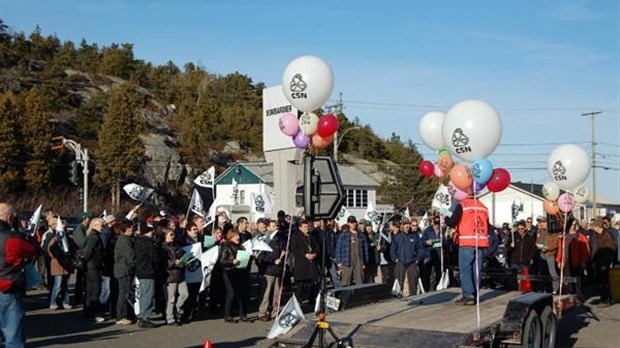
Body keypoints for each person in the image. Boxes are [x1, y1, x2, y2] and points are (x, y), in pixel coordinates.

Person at [0, 202, 37, 348]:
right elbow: (31, 251)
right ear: (9, 217)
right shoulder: (12, 237)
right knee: (13, 335)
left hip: (7, 284)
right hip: (8, 285)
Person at [444, 196, 489, 305]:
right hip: (480, 242)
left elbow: (451, 222)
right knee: (476, 270)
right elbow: (488, 225)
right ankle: (475, 295)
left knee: (465, 270)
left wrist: (446, 218)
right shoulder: (483, 207)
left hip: (467, 242)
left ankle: (469, 295)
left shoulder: (463, 205)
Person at [218, 229, 249, 323]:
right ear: (230, 237)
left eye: (238, 236)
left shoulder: (241, 246)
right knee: (231, 293)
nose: (238, 237)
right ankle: (227, 315)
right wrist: (232, 261)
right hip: (229, 272)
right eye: (236, 236)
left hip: (240, 271)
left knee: (242, 293)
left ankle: (243, 315)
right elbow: (221, 261)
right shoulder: (226, 247)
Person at [257, 220, 284, 321]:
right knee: (266, 293)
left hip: (277, 270)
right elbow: (261, 256)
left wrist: (282, 258)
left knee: (276, 293)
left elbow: (283, 250)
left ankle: (275, 311)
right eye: (273, 226)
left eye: (276, 226)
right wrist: (273, 261)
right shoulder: (264, 239)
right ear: (267, 228)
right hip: (268, 269)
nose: (275, 228)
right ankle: (262, 312)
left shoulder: (279, 239)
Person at [134, 222, 160, 328]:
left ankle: (141, 316)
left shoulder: (137, 241)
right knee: (148, 295)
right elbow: (155, 257)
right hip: (148, 270)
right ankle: (145, 317)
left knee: (143, 294)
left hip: (140, 270)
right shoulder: (149, 243)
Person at [162, 228, 188, 326]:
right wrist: (173, 262)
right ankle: (170, 318)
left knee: (185, 294)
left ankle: (178, 309)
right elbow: (164, 261)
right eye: (171, 235)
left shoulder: (177, 246)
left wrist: (184, 259)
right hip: (170, 275)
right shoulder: (163, 247)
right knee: (171, 298)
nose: (173, 237)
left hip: (180, 274)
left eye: (173, 234)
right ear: (165, 236)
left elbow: (182, 254)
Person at [291, 220, 320, 305]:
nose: (306, 228)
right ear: (300, 228)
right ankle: (298, 300)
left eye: (307, 227)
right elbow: (294, 249)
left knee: (312, 282)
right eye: (304, 227)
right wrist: (304, 255)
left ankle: (312, 299)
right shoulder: (296, 236)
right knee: (300, 284)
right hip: (301, 262)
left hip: (311, 262)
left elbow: (317, 247)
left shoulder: (311, 236)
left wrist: (315, 254)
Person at [82, 218, 105, 322]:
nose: (103, 228)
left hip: (90, 266)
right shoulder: (94, 237)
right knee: (95, 290)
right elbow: (88, 252)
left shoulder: (91, 236)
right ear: (95, 225)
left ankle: (88, 311)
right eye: (101, 225)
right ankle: (93, 312)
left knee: (89, 289)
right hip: (93, 266)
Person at [390, 218, 421, 296]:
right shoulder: (398, 236)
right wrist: (395, 259)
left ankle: (414, 296)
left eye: (408, 224)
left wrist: (417, 259)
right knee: (398, 281)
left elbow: (420, 248)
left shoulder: (414, 235)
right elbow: (393, 249)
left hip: (412, 262)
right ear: (402, 226)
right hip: (400, 262)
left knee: (413, 281)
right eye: (404, 224)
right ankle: (398, 297)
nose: (406, 226)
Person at [590, 218, 617, 307]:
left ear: (598, 226)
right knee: (600, 281)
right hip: (596, 262)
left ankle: (606, 300)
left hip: (604, 262)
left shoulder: (607, 236)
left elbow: (610, 251)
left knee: (605, 282)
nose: (592, 227)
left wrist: (606, 263)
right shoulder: (594, 235)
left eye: (594, 226)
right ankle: (603, 298)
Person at [113, 218, 135, 325]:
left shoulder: (123, 239)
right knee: (123, 294)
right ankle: (121, 316)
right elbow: (130, 257)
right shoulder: (125, 240)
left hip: (122, 269)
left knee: (123, 293)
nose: (133, 230)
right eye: (132, 228)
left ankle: (125, 314)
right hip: (124, 270)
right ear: (127, 229)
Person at [336, 216, 369, 287]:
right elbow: (338, 249)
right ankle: (345, 297)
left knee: (360, 282)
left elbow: (365, 249)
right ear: (348, 223)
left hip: (358, 261)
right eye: (351, 223)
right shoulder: (343, 235)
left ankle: (360, 297)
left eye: (354, 222)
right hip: (346, 261)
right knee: (345, 282)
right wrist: (339, 262)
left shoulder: (361, 235)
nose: (353, 224)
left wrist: (364, 262)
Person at [72, 211, 92, 304]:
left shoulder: (84, 229)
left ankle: (80, 296)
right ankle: (78, 297)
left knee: (83, 278)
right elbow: (82, 243)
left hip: (83, 257)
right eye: (88, 218)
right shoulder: (79, 229)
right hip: (81, 257)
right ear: (84, 219)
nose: (89, 220)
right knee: (80, 278)